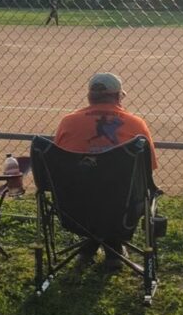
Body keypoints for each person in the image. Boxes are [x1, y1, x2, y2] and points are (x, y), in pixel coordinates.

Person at [54, 73, 158, 273]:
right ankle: (113, 249)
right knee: (114, 191)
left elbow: (58, 166)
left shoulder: (68, 122)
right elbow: (148, 168)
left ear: (89, 97)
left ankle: (91, 246)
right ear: (118, 97)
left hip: (74, 205)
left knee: (91, 186)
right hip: (121, 208)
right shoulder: (135, 124)